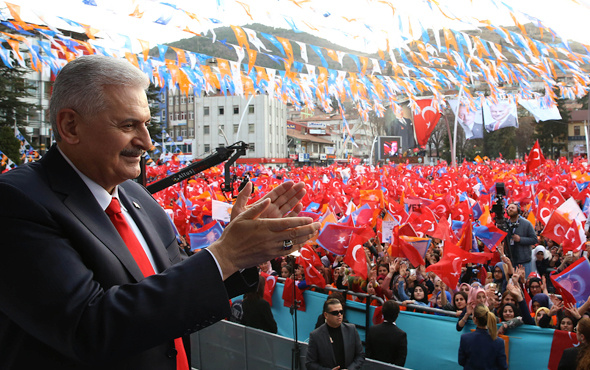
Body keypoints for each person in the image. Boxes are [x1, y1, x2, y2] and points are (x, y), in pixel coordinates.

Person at [0, 55, 320, 369]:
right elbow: (89, 328)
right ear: (70, 125)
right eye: (128, 125)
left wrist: (242, 255)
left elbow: (172, 287)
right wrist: (226, 255)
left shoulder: (137, 196)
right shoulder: (18, 201)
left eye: (147, 125)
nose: (148, 142)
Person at [306, 298, 365, 370]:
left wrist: (350, 369)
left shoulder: (351, 330)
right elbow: (310, 363)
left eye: (341, 312)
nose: (339, 315)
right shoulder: (315, 335)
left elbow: (360, 355)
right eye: (335, 313)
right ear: (326, 315)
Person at [458, 304, 508, 369]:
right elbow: (503, 365)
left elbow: (461, 361)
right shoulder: (499, 342)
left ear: (475, 319)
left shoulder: (465, 338)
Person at [365, 300, 407, 367]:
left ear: (383, 312)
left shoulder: (372, 330)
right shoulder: (401, 335)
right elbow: (401, 360)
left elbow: (368, 354)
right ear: (398, 314)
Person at [504, 203, 537, 276]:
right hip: (510, 260)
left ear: (518, 210)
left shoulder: (526, 223)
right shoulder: (505, 224)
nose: (510, 209)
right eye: (509, 208)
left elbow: (534, 239)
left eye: (512, 208)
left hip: (524, 261)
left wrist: (520, 239)